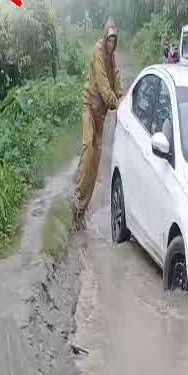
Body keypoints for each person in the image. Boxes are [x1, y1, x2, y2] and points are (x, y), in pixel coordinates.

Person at [74, 18, 125, 228]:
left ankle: (81, 210)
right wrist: (115, 102)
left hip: (100, 115)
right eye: (109, 40)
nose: (111, 45)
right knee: (87, 150)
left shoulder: (113, 60)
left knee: (95, 164)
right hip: (89, 106)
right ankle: (76, 197)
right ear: (104, 38)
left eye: (114, 41)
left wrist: (124, 101)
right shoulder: (97, 53)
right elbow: (104, 87)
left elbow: (118, 84)